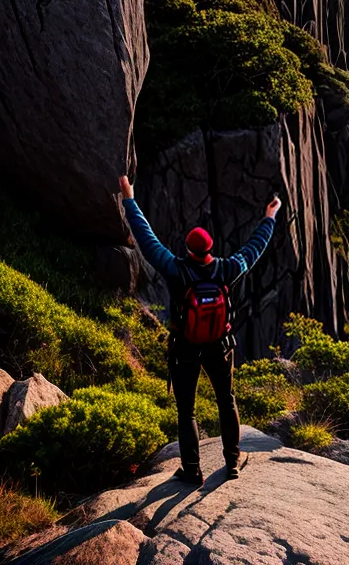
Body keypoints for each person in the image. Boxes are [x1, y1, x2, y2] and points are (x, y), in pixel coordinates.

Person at [119, 174, 281, 485]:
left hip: (185, 347)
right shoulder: (227, 268)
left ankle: (192, 470)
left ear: (189, 249)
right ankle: (232, 462)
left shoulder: (174, 268)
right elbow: (254, 249)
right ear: (209, 249)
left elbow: (146, 237)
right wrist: (269, 217)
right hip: (221, 346)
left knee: (187, 411)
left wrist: (129, 199)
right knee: (226, 400)